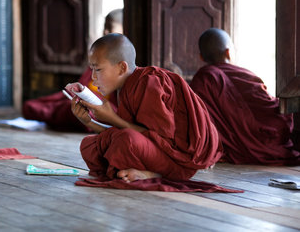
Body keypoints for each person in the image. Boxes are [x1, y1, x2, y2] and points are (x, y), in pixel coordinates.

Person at [67, 33, 221, 182]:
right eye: (92, 69)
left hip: (180, 160)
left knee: (127, 141)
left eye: (98, 69)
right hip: (152, 149)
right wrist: (89, 122)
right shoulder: (127, 86)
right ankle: (137, 168)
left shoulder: (150, 83)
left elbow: (163, 142)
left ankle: (153, 174)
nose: (93, 77)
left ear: (122, 68)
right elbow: (132, 133)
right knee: (89, 145)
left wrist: (112, 118)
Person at [190, 28, 300, 165]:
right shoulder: (245, 75)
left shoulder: (200, 80)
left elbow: (197, 121)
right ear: (228, 52)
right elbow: (270, 107)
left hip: (225, 147)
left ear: (201, 57)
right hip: (265, 141)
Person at [22, 9, 123, 131]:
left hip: (104, 107)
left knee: (75, 110)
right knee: (31, 106)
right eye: (104, 28)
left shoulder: (123, 61)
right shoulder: (101, 55)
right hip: (84, 100)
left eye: (110, 28)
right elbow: (86, 82)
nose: (105, 32)